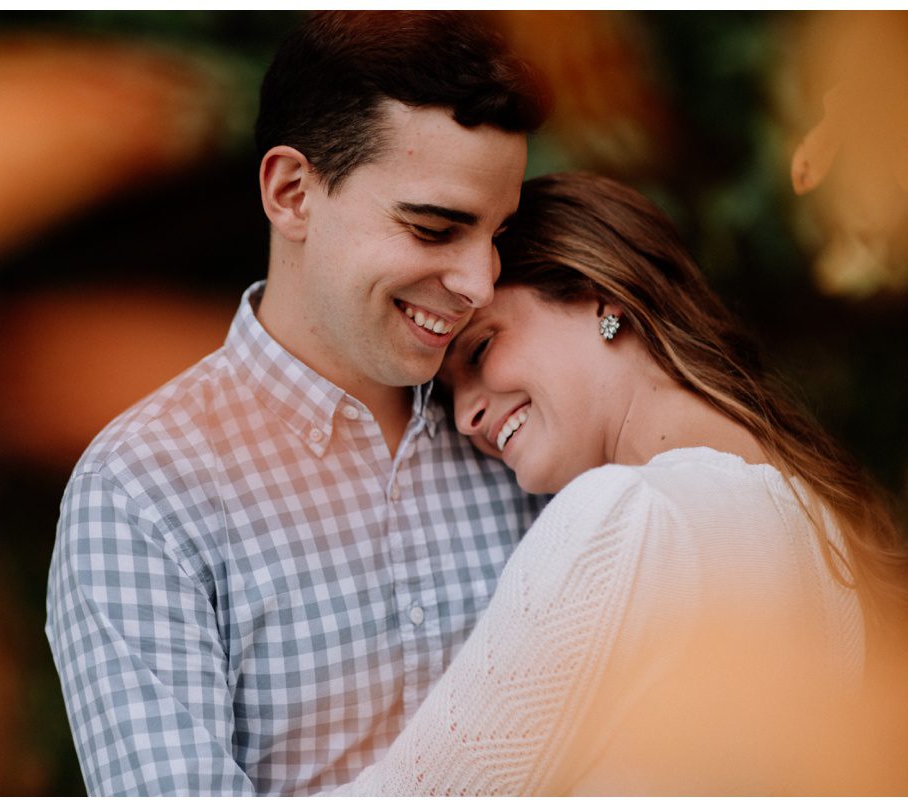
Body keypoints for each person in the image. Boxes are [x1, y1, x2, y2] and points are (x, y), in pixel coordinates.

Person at [45, 11, 548, 796]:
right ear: (291, 192)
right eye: (433, 228)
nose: (479, 282)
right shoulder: (142, 490)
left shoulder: (521, 431)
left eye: (496, 233)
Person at [337, 172, 908, 795]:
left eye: (479, 351)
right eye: (451, 395)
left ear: (603, 297)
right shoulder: (822, 534)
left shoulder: (624, 517)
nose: (464, 416)